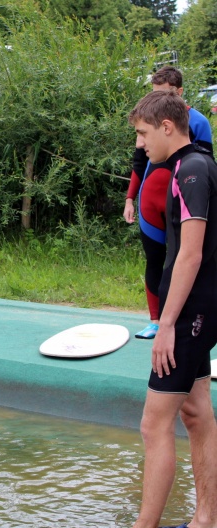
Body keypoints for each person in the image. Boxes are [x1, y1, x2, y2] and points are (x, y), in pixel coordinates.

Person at [98, 90, 217, 528]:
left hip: (189, 314)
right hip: (202, 309)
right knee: (196, 410)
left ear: (167, 126)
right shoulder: (202, 163)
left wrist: (165, 323)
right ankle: (207, 517)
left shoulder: (189, 170)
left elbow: (189, 253)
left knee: (154, 424)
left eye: (144, 134)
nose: (141, 145)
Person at [124, 66, 213, 340]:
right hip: (152, 198)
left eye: (166, 95)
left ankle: (175, 321)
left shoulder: (196, 126)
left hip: (181, 195)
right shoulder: (148, 126)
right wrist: (129, 198)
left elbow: (202, 163)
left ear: (179, 93)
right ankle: (156, 319)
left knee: (183, 255)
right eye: (155, 94)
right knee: (156, 259)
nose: (159, 102)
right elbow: (140, 161)